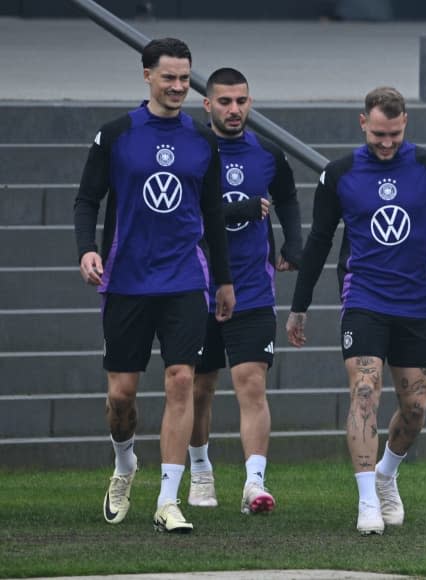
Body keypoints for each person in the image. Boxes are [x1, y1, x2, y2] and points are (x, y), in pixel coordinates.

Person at [285, 86, 426, 535]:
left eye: (393, 134)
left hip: (418, 302)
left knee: (414, 410)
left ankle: (386, 475)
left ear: (405, 122)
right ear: (362, 124)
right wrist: (300, 306)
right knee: (365, 391)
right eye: (377, 134)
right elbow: (318, 242)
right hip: (364, 300)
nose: (386, 143)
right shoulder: (340, 174)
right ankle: (367, 500)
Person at [74, 37, 235, 534]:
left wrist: (224, 279)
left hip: (185, 279)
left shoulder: (202, 140)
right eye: (169, 77)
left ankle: (169, 499)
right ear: (147, 75)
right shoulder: (116, 133)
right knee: (121, 396)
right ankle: (125, 465)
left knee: (181, 380)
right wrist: (87, 248)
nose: (178, 87)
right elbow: (87, 200)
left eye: (186, 79)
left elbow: (212, 213)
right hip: (126, 278)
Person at [187, 67, 303, 515]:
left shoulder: (266, 153)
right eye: (224, 102)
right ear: (208, 105)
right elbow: (187, 212)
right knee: (199, 387)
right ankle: (200, 471)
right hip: (197, 287)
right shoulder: (193, 150)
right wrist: (239, 206)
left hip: (254, 287)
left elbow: (288, 197)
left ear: (249, 103)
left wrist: (293, 242)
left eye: (241, 101)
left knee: (251, 383)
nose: (234, 110)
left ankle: (255, 483)